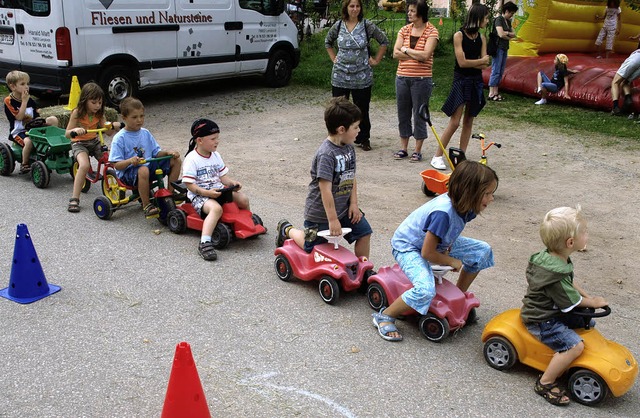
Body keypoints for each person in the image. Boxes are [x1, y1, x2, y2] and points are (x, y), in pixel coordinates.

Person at [372, 160, 498, 341]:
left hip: (435, 243)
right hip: (409, 247)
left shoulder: (467, 207)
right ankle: (384, 316)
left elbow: (449, 233)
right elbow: (427, 253)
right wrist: (450, 260)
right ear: (469, 193)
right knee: (425, 289)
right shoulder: (442, 213)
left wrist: (447, 249)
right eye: (487, 194)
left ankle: (457, 297)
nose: (491, 199)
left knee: (482, 251)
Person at [520, 205, 608, 406]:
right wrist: (592, 302)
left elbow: (569, 283)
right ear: (570, 242)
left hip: (551, 309)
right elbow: (571, 302)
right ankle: (545, 382)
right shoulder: (556, 274)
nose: (587, 235)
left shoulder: (553, 258)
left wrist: (587, 295)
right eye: (584, 233)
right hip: (542, 319)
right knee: (574, 346)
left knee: (587, 322)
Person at [276, 96, 372, 259]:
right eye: (355, 127)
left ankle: (363, 269)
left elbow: (351, 176)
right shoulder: (326, 154)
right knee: (311, 246)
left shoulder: (348, 148)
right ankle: (287, 229)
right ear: (342, 129)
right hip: (320, 215)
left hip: (344, 210)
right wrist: (333, 220)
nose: (359, 131)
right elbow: (325, 189)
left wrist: (354, 204)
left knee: (364, 232)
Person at [430, 3, 491, 170]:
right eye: (486, 17)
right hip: (461, 80)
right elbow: (462, 63)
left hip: (476, 81)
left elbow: (486, 64)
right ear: (478, 18)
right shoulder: (459, 35)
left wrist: (477, 63)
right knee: (455, 121)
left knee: (469, 120)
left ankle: (461, 157)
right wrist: (478, 62)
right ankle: (437, 156)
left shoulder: (482, 37)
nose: (487, 20)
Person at [181, 118, 250, 261]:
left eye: (217, 138)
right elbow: (190, 185)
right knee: (216, 209)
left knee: (243, 199)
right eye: (213, 139)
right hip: (200, 195)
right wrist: (206, 193)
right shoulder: (192, 159)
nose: (217, 141)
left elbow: (223, 177)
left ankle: (249, 224)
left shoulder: (216, 155)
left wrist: (233, 183)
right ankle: (205, 242)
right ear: (199, 141)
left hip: (218, 190)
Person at [325, 0, 388, 152]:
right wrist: (334, 58)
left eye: (357, 6)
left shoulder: (367, 25)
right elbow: (328, 42)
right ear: (346, 8)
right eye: (351, 6)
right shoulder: (339, 25)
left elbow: (384, 41)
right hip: (340, 76)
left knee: (362, 109)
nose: (355, 9)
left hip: (362, 77)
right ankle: (337, 138)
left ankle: (363, 138)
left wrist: (376, 59)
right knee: (338, 109)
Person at [108, 97, 181, 218]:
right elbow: (116, 165)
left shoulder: (145, 133)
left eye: (142, 116)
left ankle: (170, 193)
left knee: (175, 160)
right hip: (129, 173)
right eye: (134, 117)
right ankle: (147, 205)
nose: (139, 120)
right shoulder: (119, 138)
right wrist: (130, 161)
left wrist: (168, 152)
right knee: (143, 169)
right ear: (124, 118)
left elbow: (156, 153)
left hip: (147, 167)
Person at [392, 0, 439, 163]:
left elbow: (426, 56)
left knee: (419, 113)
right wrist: (414, 53)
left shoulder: (432, 31)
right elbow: (395, 54)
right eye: (409, 11)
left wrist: (405, 50)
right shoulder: (404, 30)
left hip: (421, 79)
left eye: (412, 11)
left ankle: (417, 150)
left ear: (421, 13)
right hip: (402, 77)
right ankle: (403, 148)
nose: (409, 13)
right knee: (403, 113)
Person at [65, 82, 123, 212]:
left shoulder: (99, 113)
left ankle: (125, 187)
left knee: (112, 160)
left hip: (95, 141)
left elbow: (107, 131)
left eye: (100, 102)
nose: (97, 106)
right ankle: (74, 198)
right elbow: (67, 134)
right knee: (84, 165)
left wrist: (113, 125)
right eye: (94, 102)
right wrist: (77, 130)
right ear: (85, 100)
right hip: (79, 143)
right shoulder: (77, 113)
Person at [3, 70, 58, 174]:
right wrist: (24, 101)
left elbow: (36, 115)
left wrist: (41, 117)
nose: (27, 87)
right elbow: (19, 117)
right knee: (28, 141)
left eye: (27, 84)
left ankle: (51, 150)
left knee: (53, 119)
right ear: (13, 86)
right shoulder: (9, 101)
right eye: (23, 84)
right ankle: (24, 164)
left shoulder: (30, 99)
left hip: (33, 128)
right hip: (19, 131)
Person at [487, 1, 519, 102]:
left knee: (501, 71)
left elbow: (514, 34)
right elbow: (501, 34)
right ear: (506, 11)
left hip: (505, 47)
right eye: (511, 13)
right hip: (498, 47)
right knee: (496, 70)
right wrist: (508, 35)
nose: (511, 15)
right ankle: (491, 93)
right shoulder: (499, 19)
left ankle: (496, 92)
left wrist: (507, 34)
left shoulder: (507, 22)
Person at [610, 48, 640, 116]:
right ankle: (628, 98)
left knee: (615, 82)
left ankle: (615, 107)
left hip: (636, 57)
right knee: (626, 81)